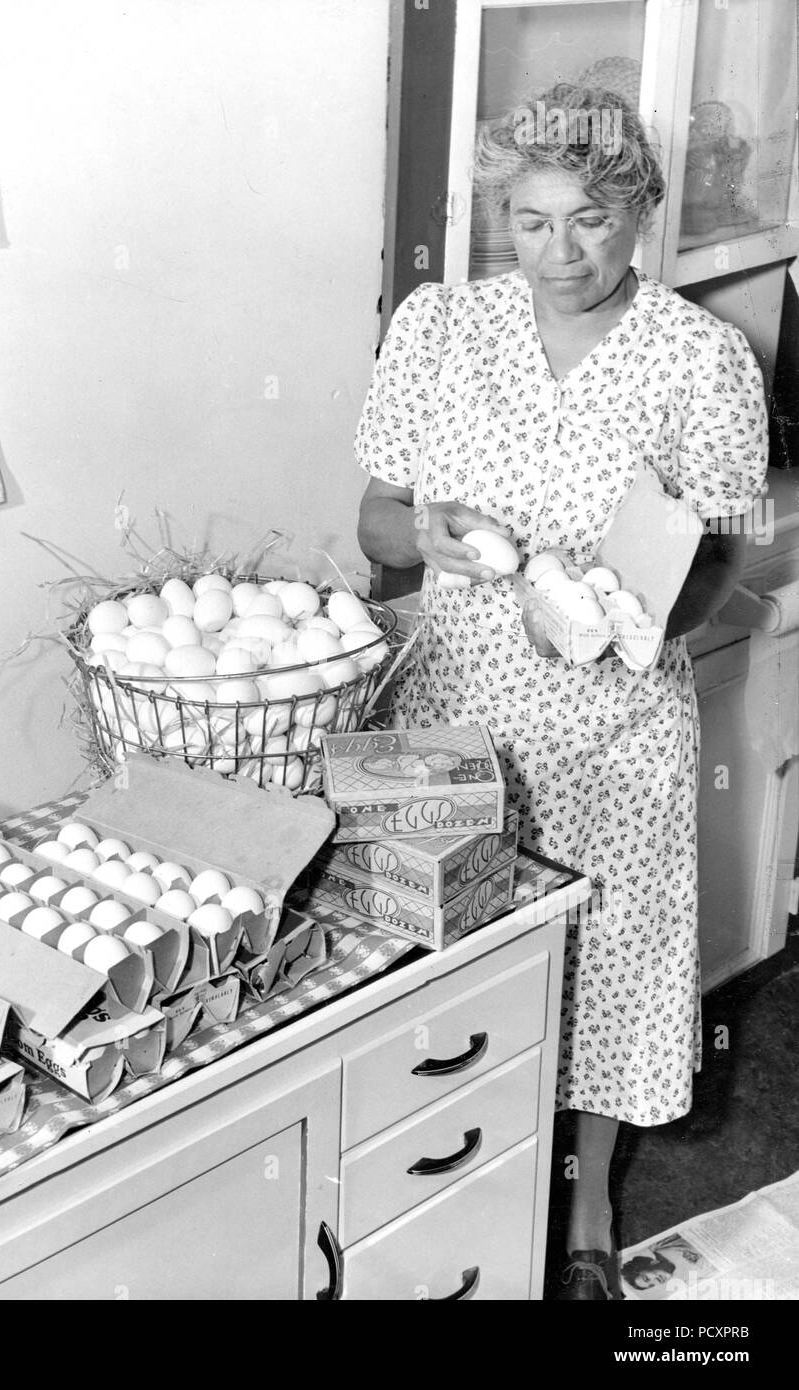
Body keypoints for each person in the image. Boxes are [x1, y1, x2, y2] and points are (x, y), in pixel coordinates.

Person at [355, 83, 767, 1300]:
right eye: (531, 223)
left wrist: (627, 620)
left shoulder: (700, 359)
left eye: (589, 219)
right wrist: (430, 533)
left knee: (605, 966)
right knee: (454, 963)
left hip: (614, 736)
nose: (560, 253)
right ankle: (450, 1178)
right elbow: (375, 516)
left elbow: (727, 554)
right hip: (456, 716)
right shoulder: (441, 330)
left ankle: (586, 1201)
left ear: (638, 209)